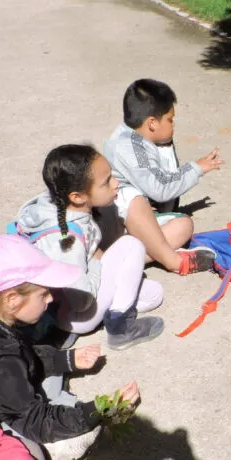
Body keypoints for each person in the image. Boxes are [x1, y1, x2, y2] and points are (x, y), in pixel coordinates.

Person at [0, 235, 138, 458]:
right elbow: (33, 419)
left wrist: (64, 360)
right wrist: (100, 409)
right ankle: (56, 448)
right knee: (37, 440)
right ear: (11, 299)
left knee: (51, 372)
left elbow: (22, 354)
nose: (50, 299)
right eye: (43, 293)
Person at [14, 144, 166, 349]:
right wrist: (96, 259)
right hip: (73, 312)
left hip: (70, 301)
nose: (116, 184)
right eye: (106, 182)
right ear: (77, 197)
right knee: (131, 245)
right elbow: (81, 300)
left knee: (153, 293)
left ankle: (112, 313)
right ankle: (120, 329)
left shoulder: (57, 204)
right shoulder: (67, 240)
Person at [102, 78, 221, 275]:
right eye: (170, 119)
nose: (173, 124)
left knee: (177, 224)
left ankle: (130, 253)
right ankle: (120, 262)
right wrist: (197, 168)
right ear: (152, 123)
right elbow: (161, 188)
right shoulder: (133, 148)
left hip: (128, 219)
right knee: (184, 225)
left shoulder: (134, 137)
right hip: (120, 221)